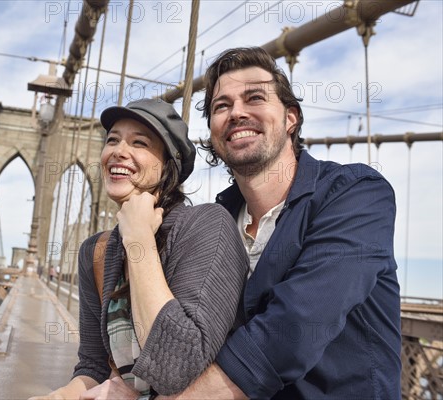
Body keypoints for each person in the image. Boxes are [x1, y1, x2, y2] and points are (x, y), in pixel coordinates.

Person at [86, 47, 402, 399]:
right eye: (222, 106)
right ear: (213, 133)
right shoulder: (214, 223)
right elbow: (186, 348)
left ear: (290, 118)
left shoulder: (354, 195)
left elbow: (293, 330)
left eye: (254, 98)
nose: (237, 113)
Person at [32, 98, 249, 399]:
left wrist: (138, 241)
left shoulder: (207, 227)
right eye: (112, 140)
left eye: (140, 143)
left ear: (168, 165)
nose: (119, 151)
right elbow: (94, 366)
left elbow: (175, 369)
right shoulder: (95, 252)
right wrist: (58, 396)